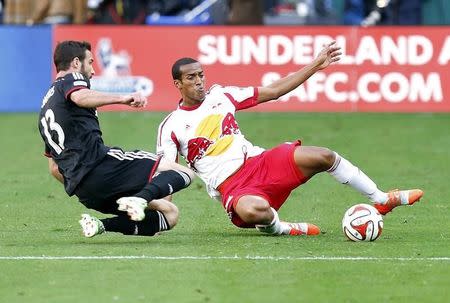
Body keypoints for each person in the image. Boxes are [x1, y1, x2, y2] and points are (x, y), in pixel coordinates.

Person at [155, 41, 424, 236]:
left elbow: (272, 90)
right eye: (191, 78)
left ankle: (381, 198)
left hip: (260, 162)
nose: (199, 82)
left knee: (324, 156)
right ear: (178, 84)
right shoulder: (171, 126)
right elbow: (167, 172)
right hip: (233, 187)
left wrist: (316, 65)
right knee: (253, 212)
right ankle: (282, 228)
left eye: (201, 75)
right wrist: (163, 212)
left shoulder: (221, 96)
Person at [38, 40, 195, 238]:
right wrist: (123, 98)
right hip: (103, 169)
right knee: (185, 173)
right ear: (76, 63)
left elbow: (54, 169)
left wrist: (81, 184)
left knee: (170, 214)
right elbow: (81, 97)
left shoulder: (46, 108)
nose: (93, 71)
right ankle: (140, 198)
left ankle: (99, 225)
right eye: (91, 62)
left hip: (85, 192)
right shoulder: (70, 80)